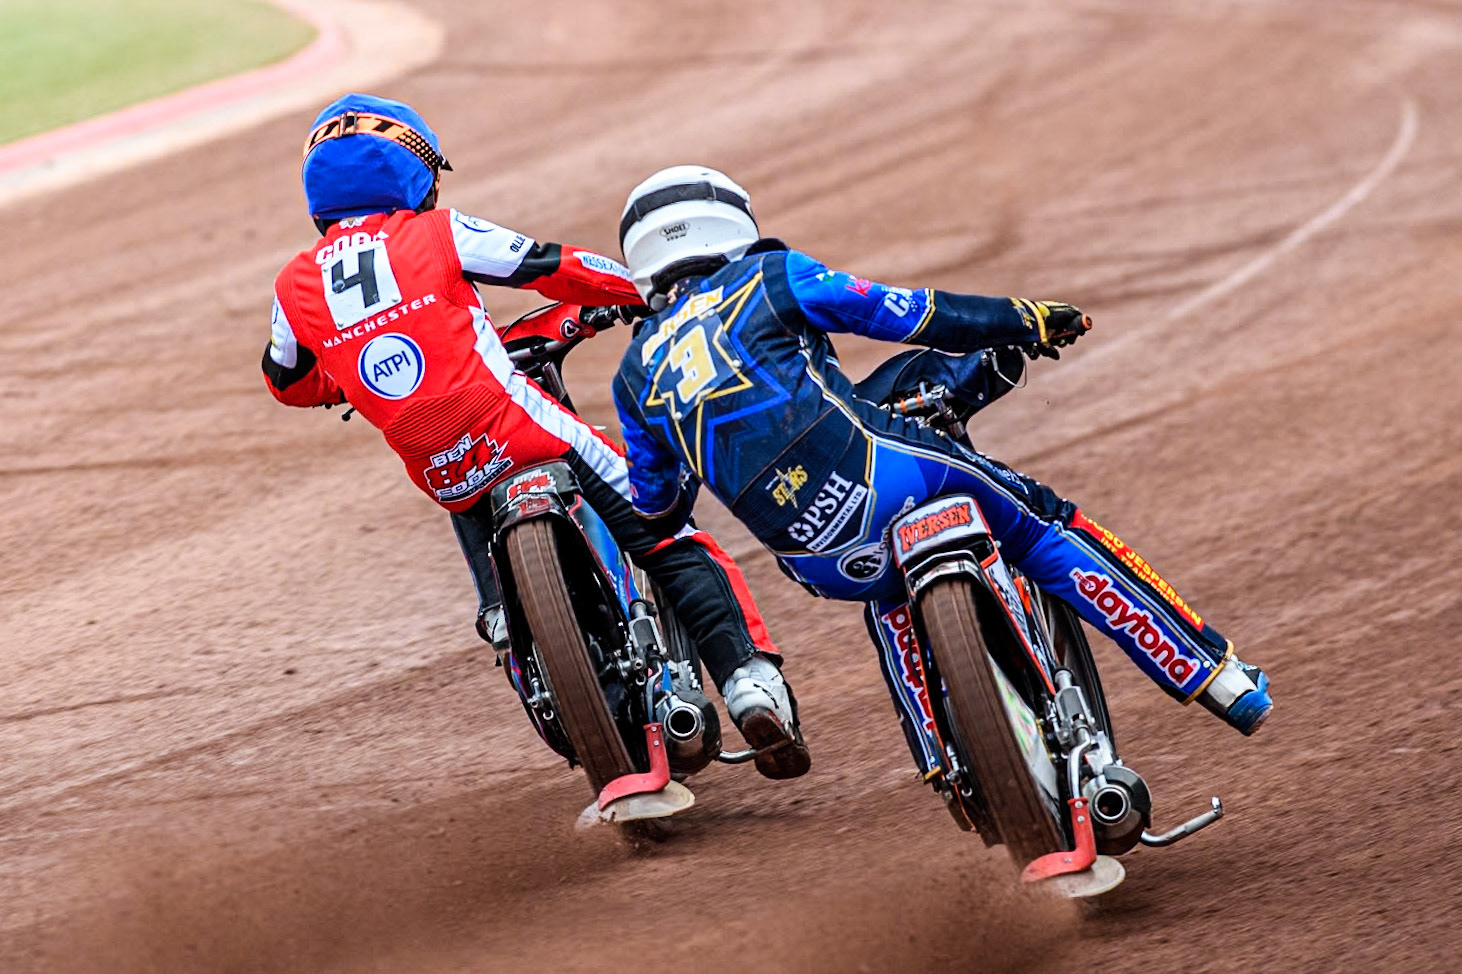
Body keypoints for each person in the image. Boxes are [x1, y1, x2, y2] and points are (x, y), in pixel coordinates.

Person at [611, 165, 1271, 780]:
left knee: (885, 597)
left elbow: (660, 506)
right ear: (734, 226)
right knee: (1044, 527)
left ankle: (947, 765)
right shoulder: (771, 277)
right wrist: (1025, 319)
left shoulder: (634, 374)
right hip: (893, 471)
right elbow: (913, 313)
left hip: (816, 559)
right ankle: (1214, 674)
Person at [261, 98, 809, 779]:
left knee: (470, 498)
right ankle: (747, 680)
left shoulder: (294, 283)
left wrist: (345, 375)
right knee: (665, 522)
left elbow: (286, 378)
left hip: (439, 468)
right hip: (516, 426)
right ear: (412, 172)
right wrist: (649, 294)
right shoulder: (438, 231)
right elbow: (552, 265)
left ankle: (503, 615)